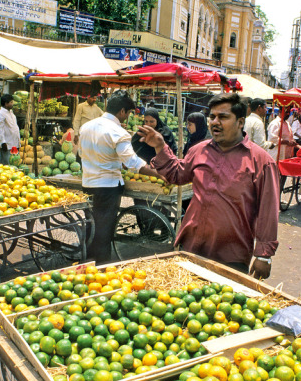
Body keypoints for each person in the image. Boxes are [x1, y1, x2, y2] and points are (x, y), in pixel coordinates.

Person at [137, 93, 280, 279]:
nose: (215, 122)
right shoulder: (199, 150)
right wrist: (159, 146)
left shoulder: (261, 161)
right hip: (190, 246)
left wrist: (264, 255)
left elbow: (268, 210)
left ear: (240, 122)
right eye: (212, 117)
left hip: (231, 255)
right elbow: (177, 174)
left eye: (223, 117)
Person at [79, 90, 164, 264]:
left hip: (88, 183)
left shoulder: (86, 127)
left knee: (91, 225)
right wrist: (158, 174)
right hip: (108, 187)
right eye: (129, 113)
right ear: (122, 112)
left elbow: (81, 154)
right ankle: (101, 267)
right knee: (104, 230)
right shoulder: (118, 132)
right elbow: (133, 162)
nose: (127, 116)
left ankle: (87, 262)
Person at [0, 94, 21, 165]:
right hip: (7, 144)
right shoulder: (0, 114)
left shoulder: (11, 113)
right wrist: (3, 142)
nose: (13, 104)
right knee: (6, 165)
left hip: (14, 143)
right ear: (6, 104)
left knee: (14, 164)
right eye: (11, 102)